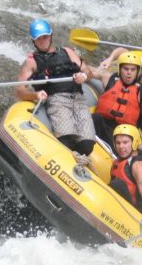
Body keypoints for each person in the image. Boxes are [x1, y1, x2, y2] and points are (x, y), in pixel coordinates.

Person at [15, 18, 96, 160]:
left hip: (78, 98)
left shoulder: (67, 52)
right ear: (33, 41)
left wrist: (83, 76)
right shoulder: (31, 61)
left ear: (51, 36)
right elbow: (19, 90)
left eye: (45, 37)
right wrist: (35, 95)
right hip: (57, 100)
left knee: (87, 145)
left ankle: (81, 161)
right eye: (39, 39)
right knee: (67, 139)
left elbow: (88, 72)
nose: (43, 41)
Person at [108, 124, 142, 231]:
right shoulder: (117, 162)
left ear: (135, 142)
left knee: (117, 184)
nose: (121, 147)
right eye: (118, 143)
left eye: (125, 142)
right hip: (120, 207)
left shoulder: (138, 165)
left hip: (135, 212)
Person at [91, 51, 142, 145]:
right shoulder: (109, 78)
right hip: (104, 123)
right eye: (126, 69)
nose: (129, 73)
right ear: (120, 69)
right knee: (96, 117)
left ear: (137, 71)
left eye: (133, 70)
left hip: (122, 132)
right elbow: (91, 72)